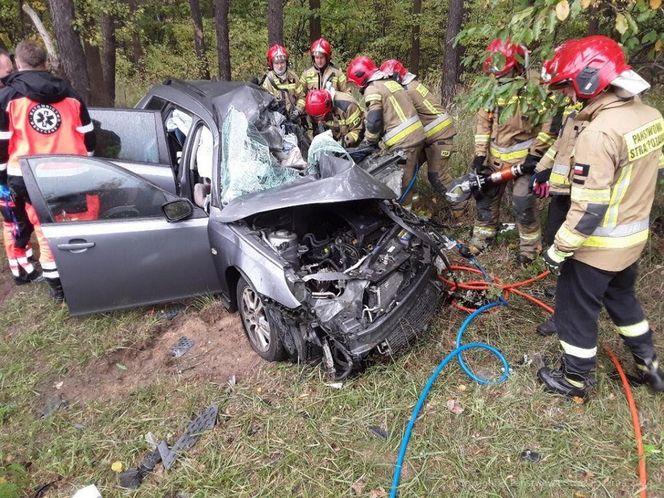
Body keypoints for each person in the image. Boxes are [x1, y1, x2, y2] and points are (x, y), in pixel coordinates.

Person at [536, 35, 664, 398]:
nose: (565, 95)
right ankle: (649, 366)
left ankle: (575, 380)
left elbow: (590, 207)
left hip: (598, 246)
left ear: (588, 81)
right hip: (632, 240)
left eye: (566, 87)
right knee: (623, 300)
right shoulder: (650, 116)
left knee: (576, 311)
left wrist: (559, 249)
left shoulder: (598, 132)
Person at [0, 40, 96, 301]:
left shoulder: (8, 99)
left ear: (18, 64)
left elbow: (2, 143)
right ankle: (86, 274)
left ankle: (58, 289)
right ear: (45, 63)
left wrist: (3, 177)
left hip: (28, 177)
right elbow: (88, 137)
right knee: (74, 225)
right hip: (72, 174)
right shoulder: (70, 94)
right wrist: (89, 163)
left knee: (44, 229)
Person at [469, 38, 556, 266]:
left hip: (524, 161)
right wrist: (479, 156)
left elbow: (549, 124)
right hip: (495, 158)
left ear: (519, 66)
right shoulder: (491, 86)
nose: (499, 80)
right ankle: (482, 240)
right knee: (485, 196)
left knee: (522, 202)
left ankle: (529, 251)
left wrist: (535, 156)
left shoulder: (536, 87)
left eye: (504, 74)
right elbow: (483, 123)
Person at [380, 59, 459, 219]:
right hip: (431, 136)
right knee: (410, 170)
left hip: (438, 136)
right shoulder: (411, 85)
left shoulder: (406, 91)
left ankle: (461, 206)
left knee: (437, 175)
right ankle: (416, 206)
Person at [346, 56, 425, 210]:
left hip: (404, 141)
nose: (356, 87)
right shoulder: (390, 82)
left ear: (359, 78)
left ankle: (404, 223)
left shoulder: (372, 88)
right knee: (409, 178)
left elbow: (375, 120)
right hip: (416, 136)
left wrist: (369, 142)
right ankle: (416, 208)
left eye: (355, 83)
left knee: (400, 183)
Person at [296, 38, 348, 112]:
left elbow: (346, 95)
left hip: (332, 114)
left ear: (327, 57)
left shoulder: (337, 73)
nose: (319, 61)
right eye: (317, 58)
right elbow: (301, 95)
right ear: (313, 58)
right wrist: (299, 109)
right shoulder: (306, 74)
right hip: (312, 115)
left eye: (321, 58)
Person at [261, 44, 303, 115]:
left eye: (282, 62)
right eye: (276, 63)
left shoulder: (293, 77)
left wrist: (298, 110)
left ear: (286, 62)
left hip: (294, 117)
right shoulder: (268, 81)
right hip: (278, 120)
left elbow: (302, 97)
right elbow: (265, 104)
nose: (280, 66)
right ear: (271, 64)